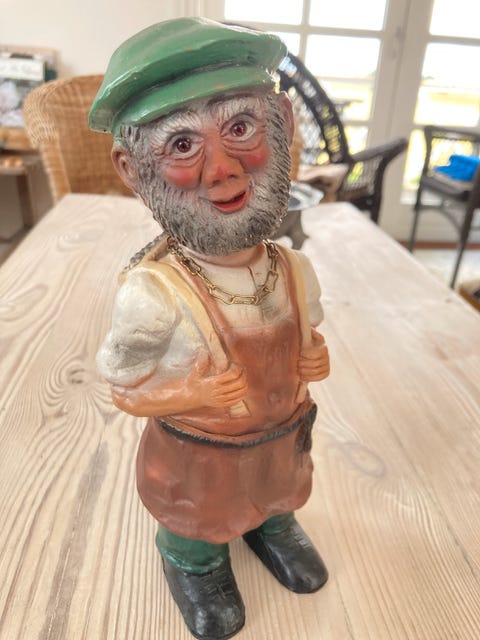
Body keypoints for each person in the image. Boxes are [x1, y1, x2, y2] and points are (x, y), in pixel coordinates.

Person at [89, 17, 330, 640]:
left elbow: (308, 339)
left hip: (279, 437)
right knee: (199, 520)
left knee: (280, 490)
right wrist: (191, 393)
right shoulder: (153, 295)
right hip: (200, 460)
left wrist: (315, 358)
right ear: (131, 168)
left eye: (241, 128)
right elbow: (123, 389)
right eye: (182, 145)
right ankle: (194, 563)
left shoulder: (293, 270)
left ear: (284, 124)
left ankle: (272, 526)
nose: (222, 169)